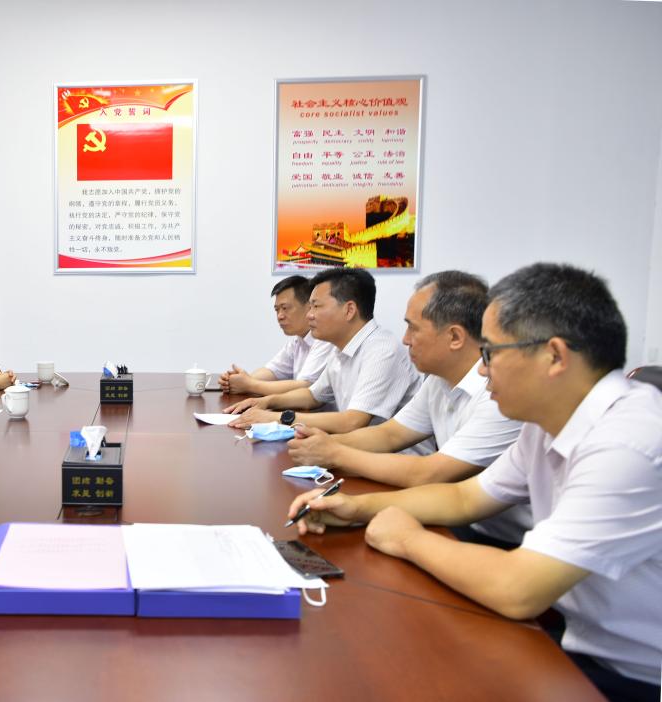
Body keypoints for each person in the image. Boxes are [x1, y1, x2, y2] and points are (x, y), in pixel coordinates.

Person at [288, 263, 662, 702]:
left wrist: (407, 537)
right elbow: (467, 497)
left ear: (555, 357)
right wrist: (356, 508)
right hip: (578, 637)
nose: (482, 371)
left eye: (492, 353)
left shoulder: (627, 441)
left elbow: (518, 589)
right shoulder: (547, 422)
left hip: (634, 675)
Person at [287, 271, 527, 544]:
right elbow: (390, 434)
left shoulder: (499, 396)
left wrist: (335, 453)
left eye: (413, 328)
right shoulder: (438, 380)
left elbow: (429, 473)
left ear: (455, 337)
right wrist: (322, 446)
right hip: (458, 515)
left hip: (509, 539)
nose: (405, 339)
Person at [225, 268, 422, 435]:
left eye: (316, 306)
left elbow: (352, 421)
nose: (309, 315)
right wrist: (266, 402)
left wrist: (277, 418)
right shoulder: (341, 348)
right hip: (353, 450)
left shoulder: (382, 350)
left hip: (396, 461)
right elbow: (313, 396)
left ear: (349, 310)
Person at [219, 275, 334, 395]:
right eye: (277, 310)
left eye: (285, 308)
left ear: (309, 307)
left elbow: (305, 386)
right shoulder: (297, 343)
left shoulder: (325, 340)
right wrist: (238, 380)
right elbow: (272, 371)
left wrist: (249, 385)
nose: (280, 316)